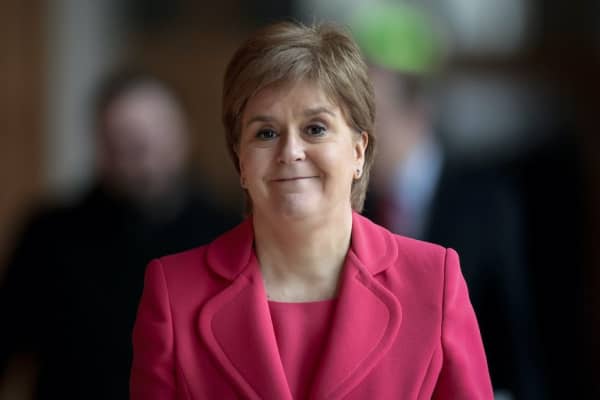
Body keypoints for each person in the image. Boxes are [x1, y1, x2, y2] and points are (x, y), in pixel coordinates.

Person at [130, 21, 493, 399]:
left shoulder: (435, 281)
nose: (290, 152)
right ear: (241, 160)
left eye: (315, 128)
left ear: (358, 151)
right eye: (266, 133)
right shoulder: (173, 292)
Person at [0, 70, 238, 399]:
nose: (143, 153)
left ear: (184, 135)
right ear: (102, 146)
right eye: (124, 140)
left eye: (154, 135)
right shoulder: (50, 234)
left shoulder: (229, 235)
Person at [352, 4, 546, 398]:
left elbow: (516, 344)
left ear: (417, 113)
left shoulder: (486, 203)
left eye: (374, 119)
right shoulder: (352, 205)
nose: (360, 139)